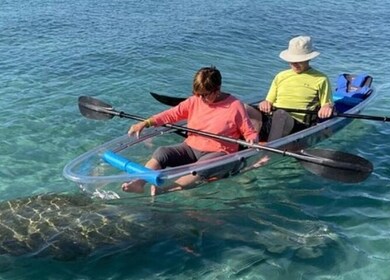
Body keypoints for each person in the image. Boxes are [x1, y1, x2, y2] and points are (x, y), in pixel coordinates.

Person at [121, 66, 259, 196]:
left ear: (217, 90)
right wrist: (146, 123)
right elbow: (171, 114)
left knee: (201, 167)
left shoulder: (235, 106)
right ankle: (138, 184)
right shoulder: (194, 100)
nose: (200, 98)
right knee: (162, 152)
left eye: (204, 95)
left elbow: (249, 131)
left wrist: (252, 139)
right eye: (197, 94)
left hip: (220, 152)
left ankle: (164, 189)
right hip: (191, 147)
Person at [256, 35, 334, 141]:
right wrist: (264, 103)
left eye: (299, 61)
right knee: (243, 107)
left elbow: (326, 104)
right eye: (292, 61)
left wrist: (326, 108)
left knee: (280, 114)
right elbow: (268, 101)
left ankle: (267, 154)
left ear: (309, 59)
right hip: (272, 118)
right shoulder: (281, 76)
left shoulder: (321, 79)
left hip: (297, 124)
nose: (294, 64)